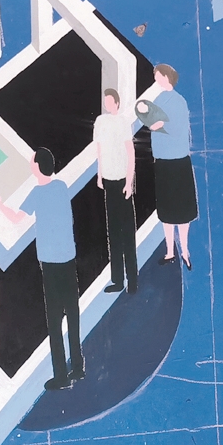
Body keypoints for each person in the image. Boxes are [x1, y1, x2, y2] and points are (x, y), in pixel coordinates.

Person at [0, 148, 85, 391]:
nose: (30, 164)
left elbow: (16, 219)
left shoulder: (37, 193)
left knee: (54, 321)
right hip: (68, 258)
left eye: (31, 161)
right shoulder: (61, 187)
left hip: (50, 262)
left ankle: (61, 376)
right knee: (73, 314)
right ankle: (78, 366)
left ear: (37, 167)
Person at [145, 64, 196, 270]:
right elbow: (150, 119)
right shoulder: (158, 100)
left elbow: (177, 127)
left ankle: (185, 250)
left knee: (182, 210)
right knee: (166, 210)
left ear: (166, 77)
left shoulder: (179, 101)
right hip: (163, 160)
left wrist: (161, 125)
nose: (156, 79)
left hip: (178, 161)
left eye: (158, 76)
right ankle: (170, 251)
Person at [93, 88, 138, 294]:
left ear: (117, 103)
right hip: (109, 182)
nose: (108, 105)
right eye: (106, 102)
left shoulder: (123, 122)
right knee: (113, 234)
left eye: (111, 102)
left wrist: (129, 182)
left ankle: (133, 280)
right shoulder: (100, 122)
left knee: (127, 234)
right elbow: (99, 150)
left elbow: (131, 152)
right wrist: (99, 174)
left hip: (122, 182)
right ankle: (118, 280)